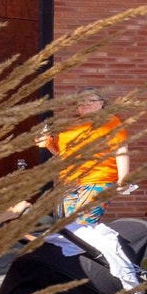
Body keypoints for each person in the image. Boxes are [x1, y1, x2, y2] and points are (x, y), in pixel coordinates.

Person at [39, 87, 129, 225]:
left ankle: (96, 247)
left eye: (91, 100)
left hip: (97, 179)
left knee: (84, 225)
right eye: (81, 101)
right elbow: (61, 154)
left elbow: (121, 151)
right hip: (69, 182)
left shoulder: (110, 122)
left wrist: (123, 180)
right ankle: (84, 247)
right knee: (72, 227)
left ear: (101, 103)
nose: (86, 104)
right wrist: (48, 144)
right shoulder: (70, 125)